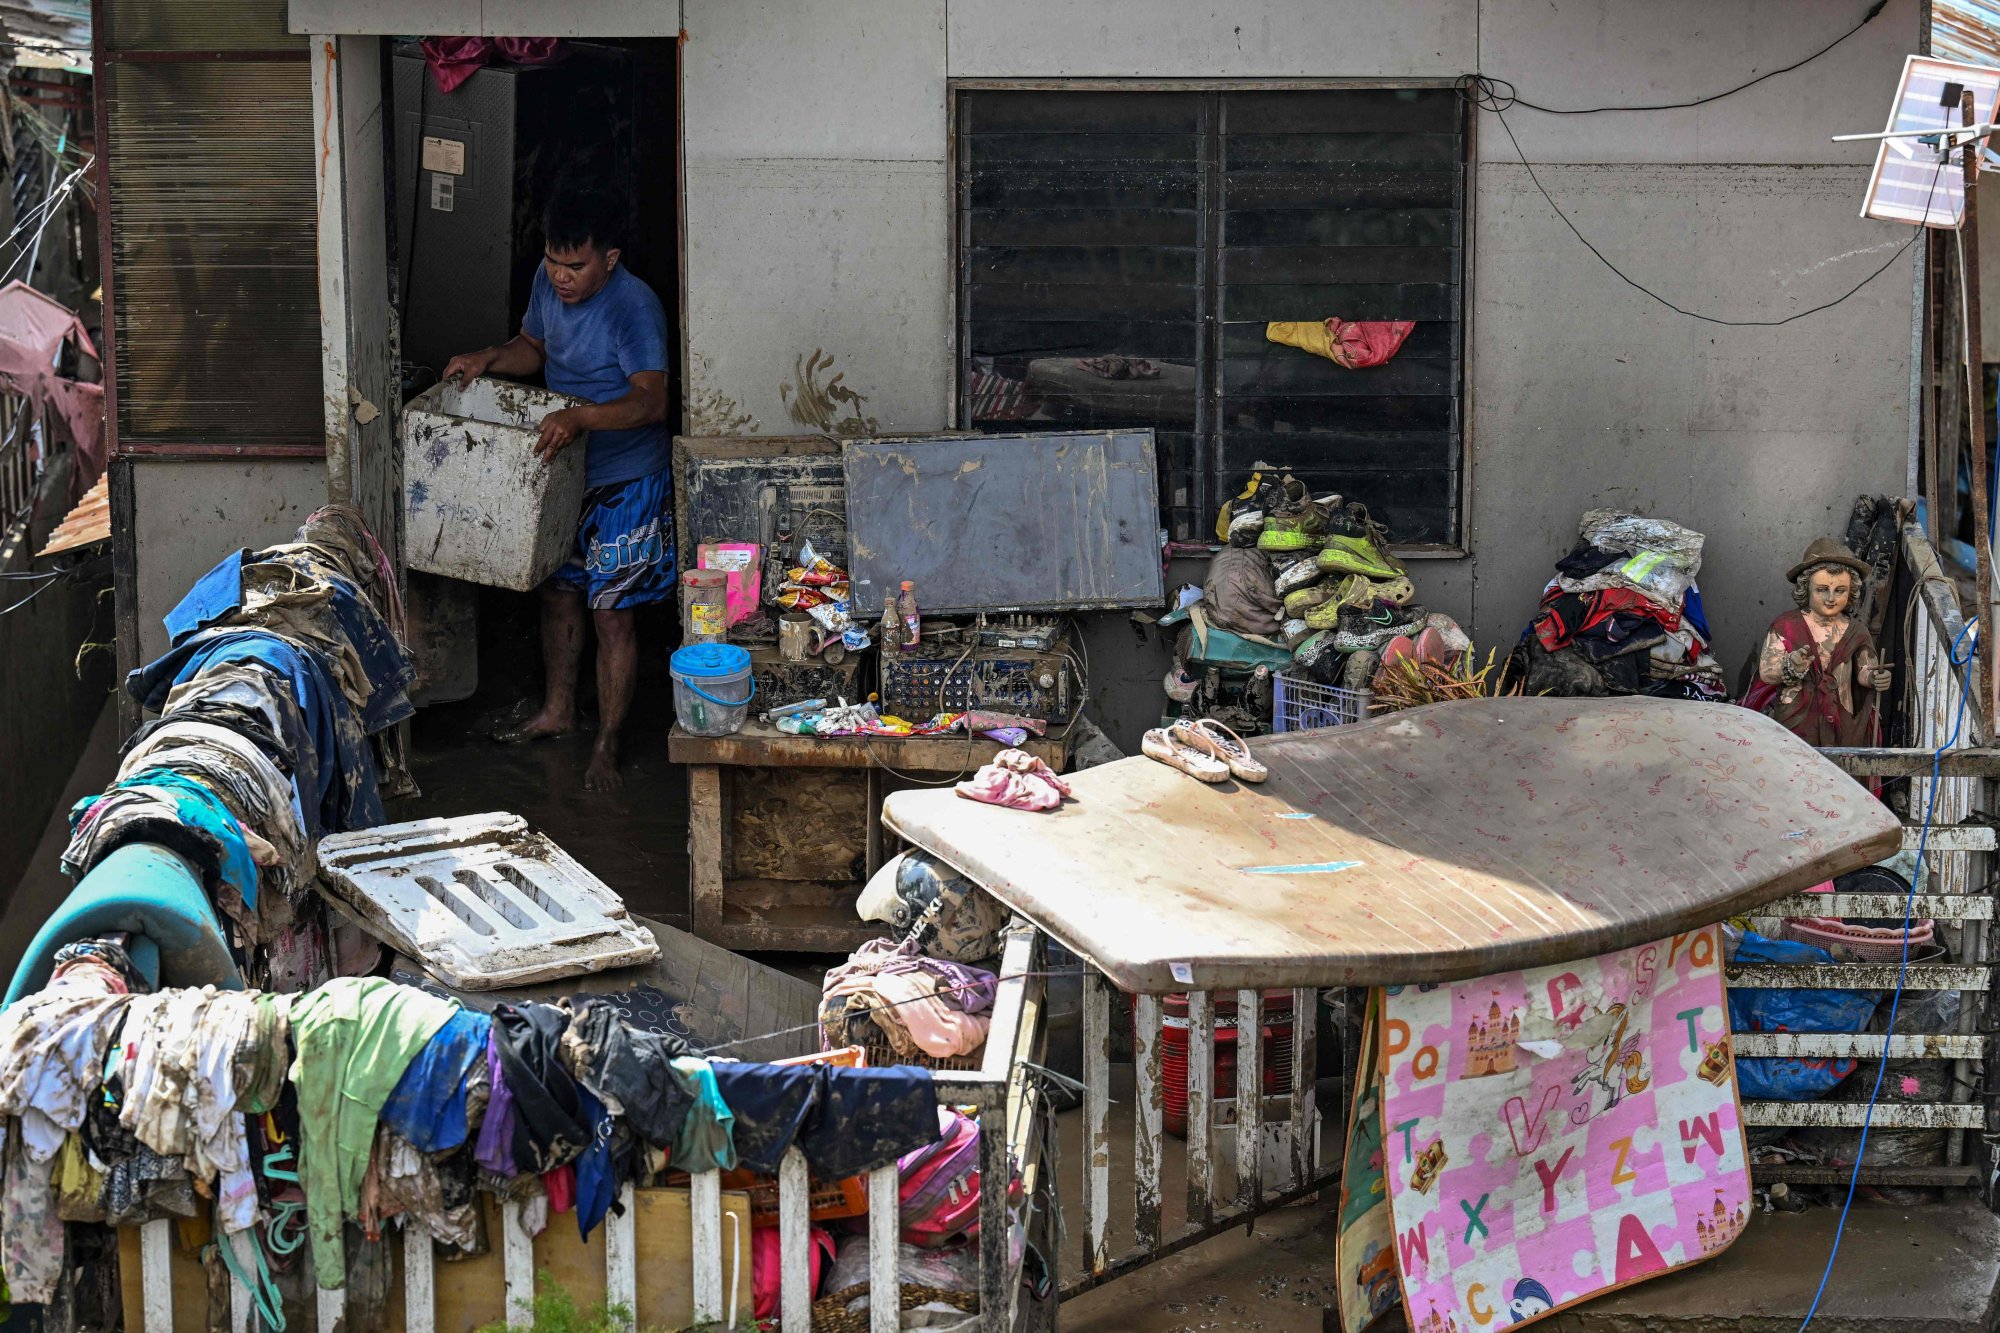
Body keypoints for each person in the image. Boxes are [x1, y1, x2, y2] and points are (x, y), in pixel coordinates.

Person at [443, 186, 671, 790]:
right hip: (565, 472)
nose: (561, 277)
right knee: (558, 593)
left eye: (576, 266)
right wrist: (488, 357)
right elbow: (533, 348)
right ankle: (559, 711)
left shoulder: (634, 308)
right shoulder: (548, 285)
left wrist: (580, 417)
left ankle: (609, 743)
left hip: (625, 480)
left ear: (611, 258)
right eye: (553, 261)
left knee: (612, 614)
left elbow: (651, 401)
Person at [1744, 537, 1891, 749]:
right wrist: (1790, 667)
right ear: (1806, 588)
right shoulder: (1785, 625)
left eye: (1840, 590)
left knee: (1838, 774)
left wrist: (1875, 677)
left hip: (1842, 725)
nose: (1831, 598)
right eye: (1822, 589)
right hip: (1795, 724)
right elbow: (1767, 671)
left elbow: (1865, 668)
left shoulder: (1857, 632)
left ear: (1851, 591)